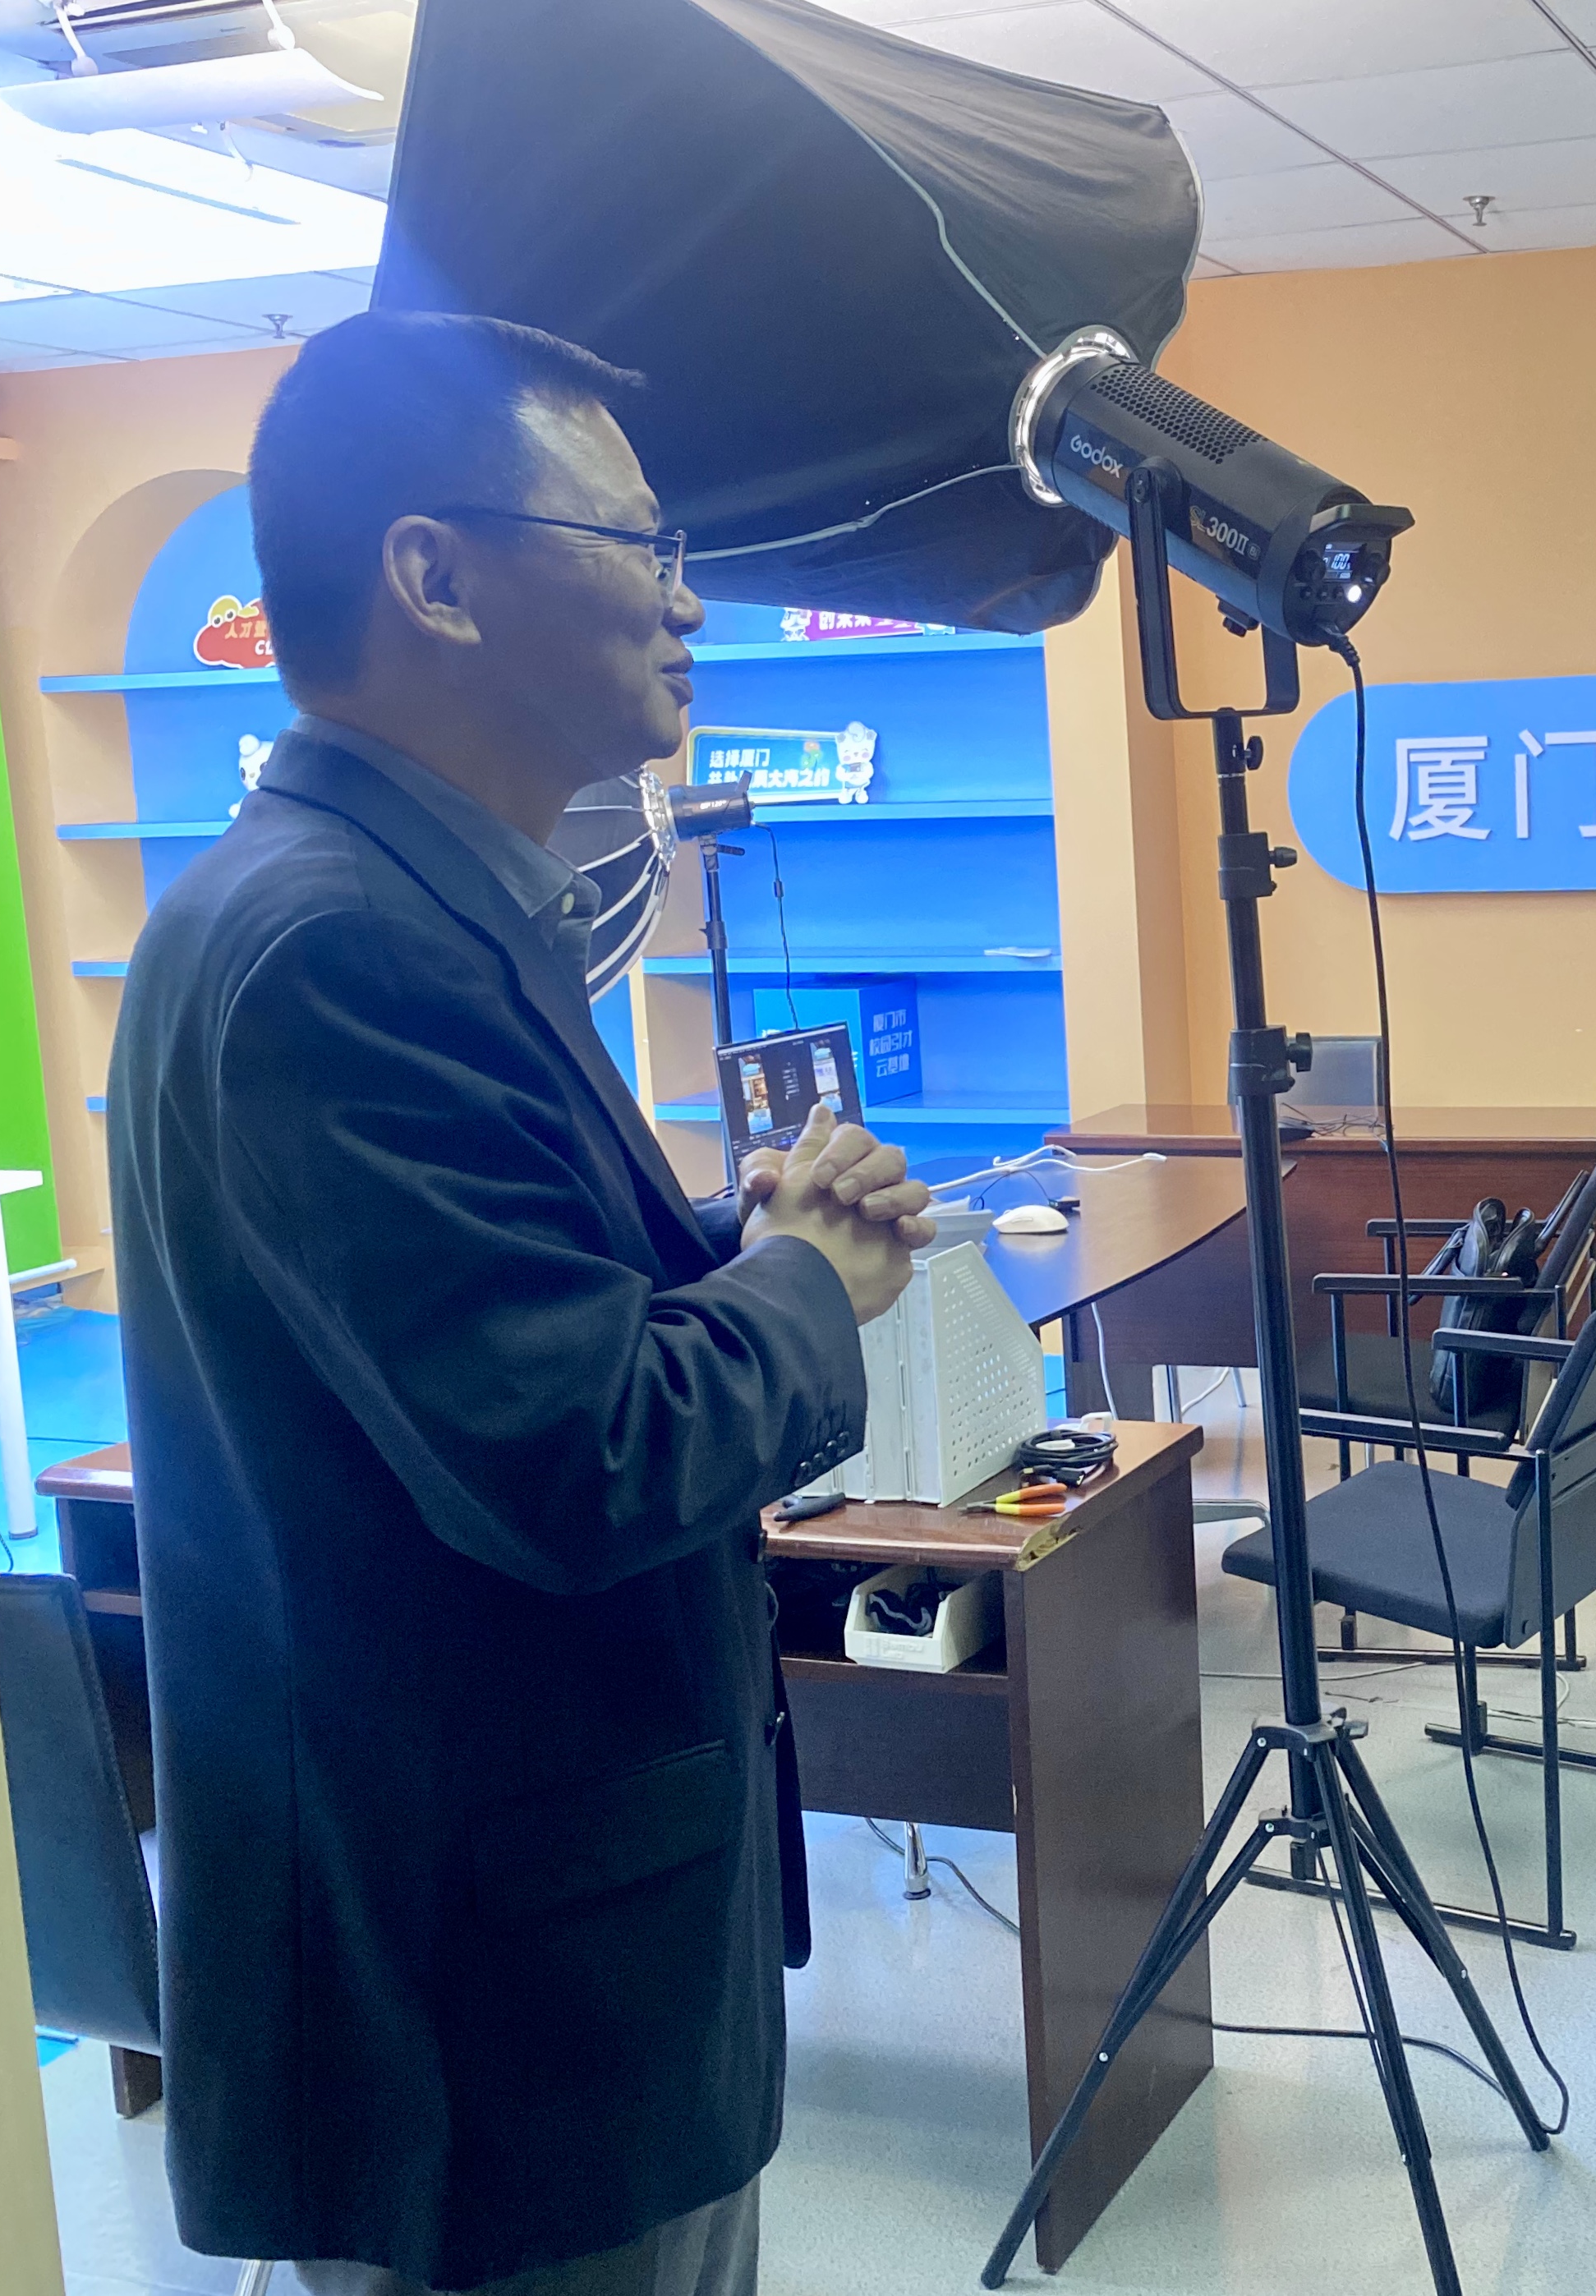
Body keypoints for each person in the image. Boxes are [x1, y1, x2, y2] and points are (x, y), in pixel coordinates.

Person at [108, 310, 935, 2296]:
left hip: (523, 1951)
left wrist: (725, 1250)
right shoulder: (340, 949)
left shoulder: (395, 906)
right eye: (640, 546)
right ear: (436, 575)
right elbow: (578, 1456)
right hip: (489, 2023)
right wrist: (809, 1288)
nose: (687, 604)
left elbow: (481, 1335)